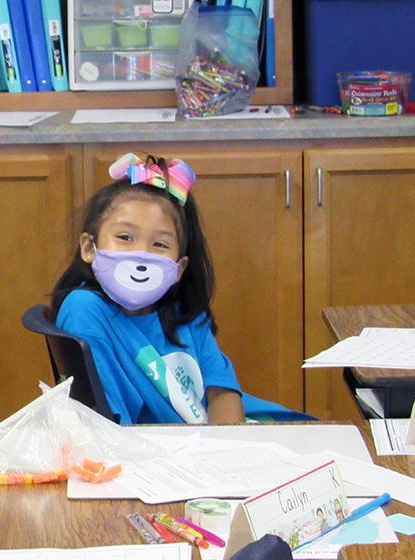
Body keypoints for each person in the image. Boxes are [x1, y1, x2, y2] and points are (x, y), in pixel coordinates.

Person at [51, 152, 312, 425]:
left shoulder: (185, 314)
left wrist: (226, 448)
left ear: (179, 268)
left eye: (160, 245)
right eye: (125, 237)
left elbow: (222, 395)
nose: (141, 255)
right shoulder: (84, 308)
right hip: (151, 455)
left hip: (221, 442)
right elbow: (106, 425)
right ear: (89, 248)